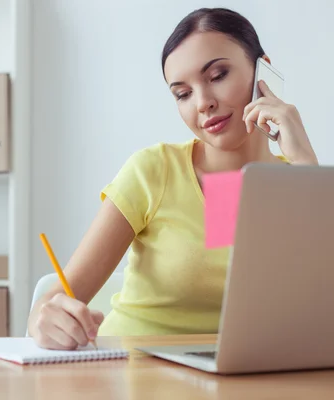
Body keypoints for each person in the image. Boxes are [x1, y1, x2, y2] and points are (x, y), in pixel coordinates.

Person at [27, 7, 319, 350]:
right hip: (134, 373)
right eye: (182, 93)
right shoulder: (155, 171)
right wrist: (44, 320)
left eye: (218, 75)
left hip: (241, 379)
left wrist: (307, 167)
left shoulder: (302, 185)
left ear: (262, 70)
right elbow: (56, 299)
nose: (203, 103)